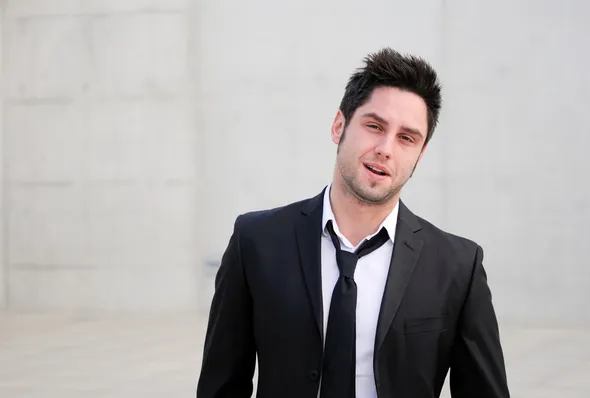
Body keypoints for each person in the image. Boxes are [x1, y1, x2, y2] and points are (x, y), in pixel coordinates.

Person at [196, 47, 510, 398]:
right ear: (339, 126)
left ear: (420, 155)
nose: (386, 149)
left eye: (407, 138)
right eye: (374, 126)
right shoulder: (256, 241)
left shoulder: (458, 266)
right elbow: (220, 385)